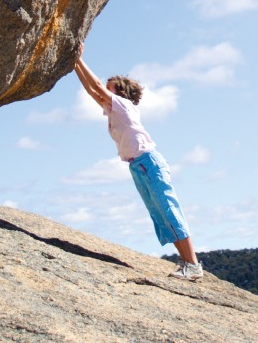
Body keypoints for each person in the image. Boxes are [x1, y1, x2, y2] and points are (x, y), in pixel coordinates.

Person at [72, 50, 204, 281]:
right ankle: (186, 262)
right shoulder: (114, 111)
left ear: (121, 92)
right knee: (160, 215)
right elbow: (92, 91)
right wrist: (73, 64)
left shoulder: (123, 106)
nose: (105, 90)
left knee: (168, 210)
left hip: (148, 163)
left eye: (110, 86)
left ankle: (192, 264)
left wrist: (78, 59)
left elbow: (95, 87)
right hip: (138, 167)